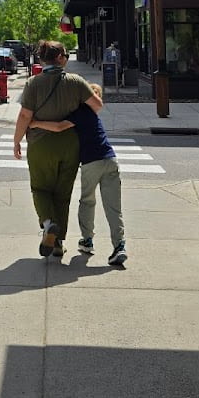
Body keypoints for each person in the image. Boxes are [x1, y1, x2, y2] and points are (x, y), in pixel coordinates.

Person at [13, 40, 100, 260]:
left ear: (42, 59)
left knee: (40, 189)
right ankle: (58, 242)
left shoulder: (33, 84)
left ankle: (48, 223)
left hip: (41, 145)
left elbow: (25, 115)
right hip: (70, 144)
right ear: (60, 58)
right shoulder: (76, 82)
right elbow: (97, 105)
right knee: (63, 195)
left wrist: (17, 140)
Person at [30, 82, 127, 266]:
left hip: (91, 163)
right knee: (113, 206)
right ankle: (119, 246)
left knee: (88, 201)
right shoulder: (94, 115)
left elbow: (58, 127)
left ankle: (87, 240)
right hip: (111, 159)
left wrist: (35, 123)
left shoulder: (80, 113)